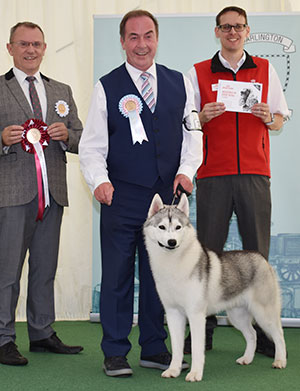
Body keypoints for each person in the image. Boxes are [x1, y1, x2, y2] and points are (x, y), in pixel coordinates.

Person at [79, 10, 202, 377]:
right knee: (116, 277)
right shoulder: (107, 86)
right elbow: (92, 145)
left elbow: (193, 133)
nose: (141, 44)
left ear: (157, 39)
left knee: (159, 278)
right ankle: (115, 352)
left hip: (166, 200)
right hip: (120, 196)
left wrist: (186, 172)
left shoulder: (180, 82)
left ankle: (154, 347)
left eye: (148, 35)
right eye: (133, 37)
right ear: (122, 42)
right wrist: (98, 181)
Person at [184, 6, 290, 356]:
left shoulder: (264, 68)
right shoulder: (198, 72)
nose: (232, 32)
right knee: (207, 253)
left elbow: (279, 119)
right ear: (216, 31)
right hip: (213, 174)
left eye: (238, 27)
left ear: (248, 31)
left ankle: (262, 331)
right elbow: (187, 123)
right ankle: (205, 329)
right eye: (226, 27)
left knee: (257, 251)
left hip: (255, 174)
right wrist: (201, 116)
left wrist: (268, 116)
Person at [0, 22, 83, 366]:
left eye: (36, 44)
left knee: (45, 267)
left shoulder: (61, 89)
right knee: (6, 271)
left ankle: (41, 332)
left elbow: (81, 137)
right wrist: (1, 139)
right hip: (12, 193)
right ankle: (3, 337)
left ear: (45, 48)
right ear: (10, 48)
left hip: (53, 193)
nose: (30, 50)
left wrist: (67, 135)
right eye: (23, 44)